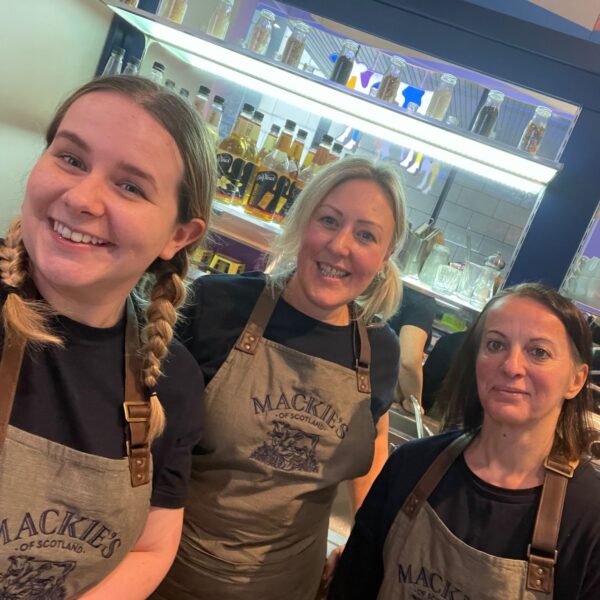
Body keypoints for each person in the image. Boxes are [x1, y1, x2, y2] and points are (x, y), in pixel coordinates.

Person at [0, 75, 216, 599]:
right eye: (71, 158)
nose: (81, 197)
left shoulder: (172, 379)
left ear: (178, 236)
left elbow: (151, 546)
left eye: (130, 186)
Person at [153, 157, 407, 600]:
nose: (340, 245)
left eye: (366, 235)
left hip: (290, 585)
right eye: (329, 220)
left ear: (385, 256)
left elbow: (375, 440)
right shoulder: (218, 306)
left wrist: (366, 541)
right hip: (172, 568)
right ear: (302, 223)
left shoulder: (379, 351)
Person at [329, 283, 600, 599]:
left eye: (538, 352)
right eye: (496, 345)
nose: (511, 366)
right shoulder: (411, 465)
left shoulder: (590, 518)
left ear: (576, 379)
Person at [387, 287, 436, 413]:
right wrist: (413, 403)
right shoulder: (422, 301)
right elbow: (409, 361)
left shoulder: (380, 280)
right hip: (378, 389)